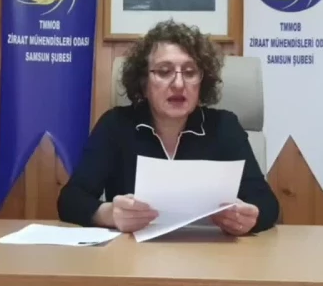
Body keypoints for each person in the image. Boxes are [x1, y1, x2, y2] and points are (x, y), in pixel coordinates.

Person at [57, 21, 279, 235]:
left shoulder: (224, 127)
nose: (179, 84)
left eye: (190, 72)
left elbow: (267, 203)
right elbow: (71, 199)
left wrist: (248, 218)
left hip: (209, 253)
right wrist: (109, 214)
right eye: (164, 71)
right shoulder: (116, 125)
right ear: (143, 82)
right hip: (133, 255)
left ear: (202, 83)